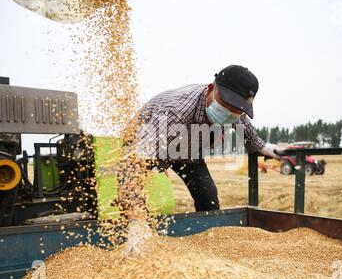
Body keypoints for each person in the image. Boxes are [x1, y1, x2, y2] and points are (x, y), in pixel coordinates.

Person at [117, 65, 280, 215]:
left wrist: (263, 147)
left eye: (235, 111)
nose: (229, 114)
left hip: (187, 149)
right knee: (134, 198)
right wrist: (136, 220)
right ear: (210, 88)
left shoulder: (234, 113)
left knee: (208, 196)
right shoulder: (174, 113)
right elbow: (130, 165)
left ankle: (208, 236)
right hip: (148, 143)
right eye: (226, 106)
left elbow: (242, 121)